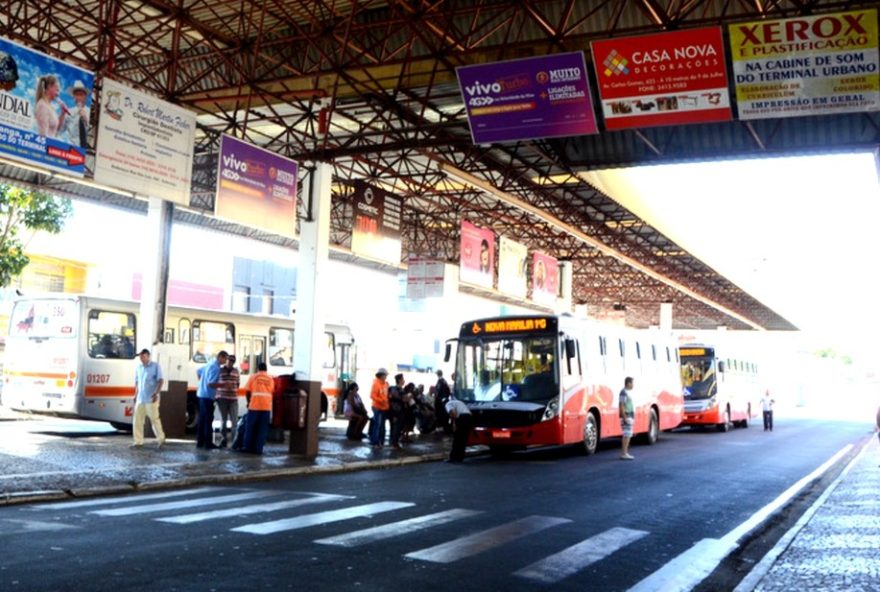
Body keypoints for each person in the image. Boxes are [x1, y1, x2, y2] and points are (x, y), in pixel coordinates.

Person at [131, 348, 165, 448]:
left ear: (148, 356)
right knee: (137, 421)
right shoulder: (139, 367)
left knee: (154, 420)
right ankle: (138, 441)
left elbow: (161, 380)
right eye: (140, 357)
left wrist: (156, 393)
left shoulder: (155, 366)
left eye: (143, 356)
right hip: (140, 398)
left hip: (151, 398)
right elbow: (137, 382)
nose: (141, 358)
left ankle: (161, 439)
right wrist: (135, 394)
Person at [196, 350, 228, 449]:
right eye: (225, 359)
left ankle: (200, 442)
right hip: (208, 397)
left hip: (201, 394)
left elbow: (198, 371)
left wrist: (201, 384)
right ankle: (208, 444)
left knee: (202, 419)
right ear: (220, 357)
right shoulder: (216, 367)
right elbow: (211, 384)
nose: (226, 361)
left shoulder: (209, 363)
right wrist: (223, 385)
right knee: (208, 419)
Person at [241, 362, 274, 454]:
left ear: (258, 369)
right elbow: (272, 391)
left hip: (254, 406)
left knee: (250, 427)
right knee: (262, 429)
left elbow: (247, 391)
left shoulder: (253, 377)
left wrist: (248, 402)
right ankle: (259, 449)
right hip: (266, 407)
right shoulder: (270, 379)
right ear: (266, 370)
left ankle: (248, 447)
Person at [216, 355, 240, 448]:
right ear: (227, 361)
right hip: (222, 398)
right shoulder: (220, 370)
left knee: (234, 421)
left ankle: (234, 442)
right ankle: (224, 440)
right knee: (224, 421)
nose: (230, 363)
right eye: (229, 361)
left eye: (232, 362)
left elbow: (237, 384)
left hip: (233, 399)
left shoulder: (236, 371)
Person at [62, 80, 89, 148]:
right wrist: (62, 115)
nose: (79, 97)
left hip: (85, 149)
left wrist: (85, 118)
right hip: (71, 147)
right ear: (73, 96)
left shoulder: (89, 111)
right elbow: (60, 130)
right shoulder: (69, 112)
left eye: (81, 95)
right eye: (76, 95)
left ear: (85, 96)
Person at [445, 397, 473, 463]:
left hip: (462, 418)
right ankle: (460, 458)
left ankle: (453, 457)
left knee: (457, 438)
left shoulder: (448, 404)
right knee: (463, 439)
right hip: (468, 418)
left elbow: (453, 413)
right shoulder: (458, 402)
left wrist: (454, 424)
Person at [369, 368, 389, 448]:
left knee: (382, 426)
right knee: (377, 425)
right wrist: (382, 401)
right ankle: (375, 442)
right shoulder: (376, 384)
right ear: (381, 375)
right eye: (385, 375)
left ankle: (380, 441)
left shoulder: (386, 384)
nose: (386, 376)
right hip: (377, 407)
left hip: (384, 408)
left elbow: (386, 395)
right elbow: (372, 396)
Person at [619, 376, 635, 460]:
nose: (633, 385)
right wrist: (624, 417)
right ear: (628, 383)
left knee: (628, 434)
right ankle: (624, 453)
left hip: (629, 415)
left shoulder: (627, 392)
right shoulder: (623, 392)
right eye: (632, 383)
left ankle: (625, 452)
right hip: (627, 415)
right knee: (627, 435)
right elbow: (621, 405)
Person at [388, 373, 405, 449]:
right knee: (396, 427)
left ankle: (394, 442)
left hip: (397, 411)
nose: (403, 381)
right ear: (399, 380)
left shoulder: (396, 389)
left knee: (396, 427)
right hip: (396, 411)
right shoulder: (396, 389)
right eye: (402, 379)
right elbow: (402, 399)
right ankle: (394, 443)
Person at [434, 369, 452, 434]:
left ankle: (441, 428)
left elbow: (439, 392)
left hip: (440, 402)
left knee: (440, 415)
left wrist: (439, 399)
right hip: (443, 401)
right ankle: (443, 427)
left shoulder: (440, 381)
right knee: (443, 415)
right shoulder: (444, 381)